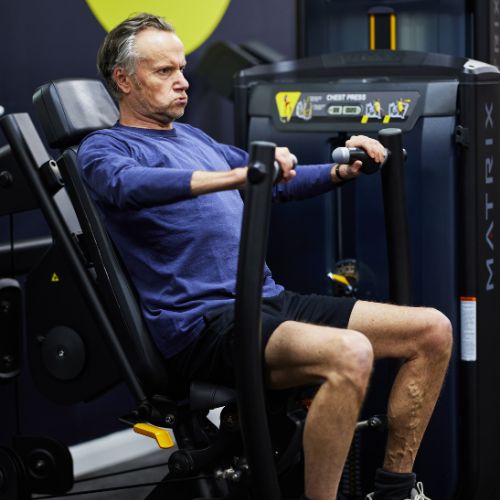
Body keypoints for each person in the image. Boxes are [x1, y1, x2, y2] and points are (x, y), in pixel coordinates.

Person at [77, 13, 452, 500]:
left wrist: (343, 171)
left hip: (267, 301)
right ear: (123, 80)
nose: (183, 83)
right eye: (164, 72)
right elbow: (129, 187)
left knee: (432, 331)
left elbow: (277, 180)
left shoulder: (194, 140)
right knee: (351, 353)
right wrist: (239, 176)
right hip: (207, 325)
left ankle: (395, 489)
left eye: (182, 69)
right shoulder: (104, 148)